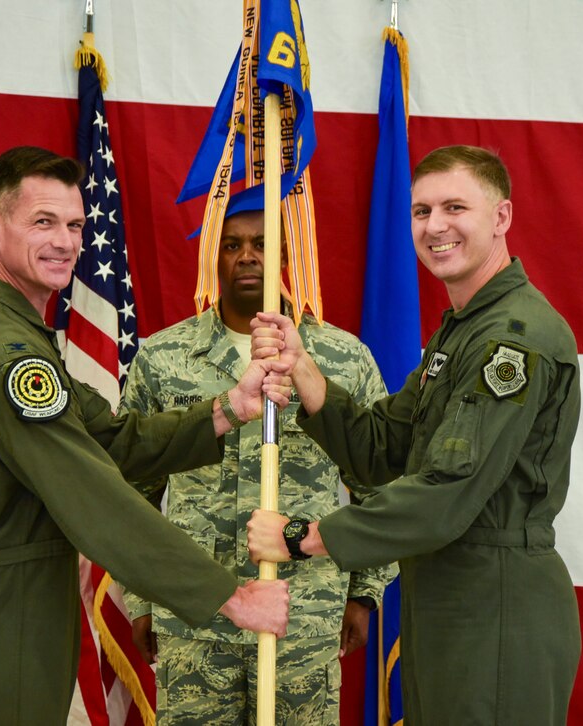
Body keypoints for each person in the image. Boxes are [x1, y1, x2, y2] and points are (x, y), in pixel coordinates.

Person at [0, 146, 292, 725]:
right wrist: (229, 597)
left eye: (75, 224)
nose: (65, 241)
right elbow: (90, 493)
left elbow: (107, 440)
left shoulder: (14, 330)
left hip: (19, 603)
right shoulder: (2, 355)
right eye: (43, 222)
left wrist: (229, 408)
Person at [248, 145, 582, 724]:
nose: (435, 226)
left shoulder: (512, 339)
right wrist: (303, 370)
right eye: (421, 211)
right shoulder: (462, 332)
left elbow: (447, 491)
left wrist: (304, 536)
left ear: (501, 217)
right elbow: (384, 450)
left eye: (456, 207)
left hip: (495, 605)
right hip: (450, 601)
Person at [120, 202, 397, 724]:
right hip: (193, 613)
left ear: (287, 254)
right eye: (232, 246)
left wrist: (364, 592)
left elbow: (378, 484)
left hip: (305, 611)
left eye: (263, 244)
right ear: (213, 259)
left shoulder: (341, 357)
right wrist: (141, 599)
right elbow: (132, 490)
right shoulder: (162, 358)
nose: (247, 258)